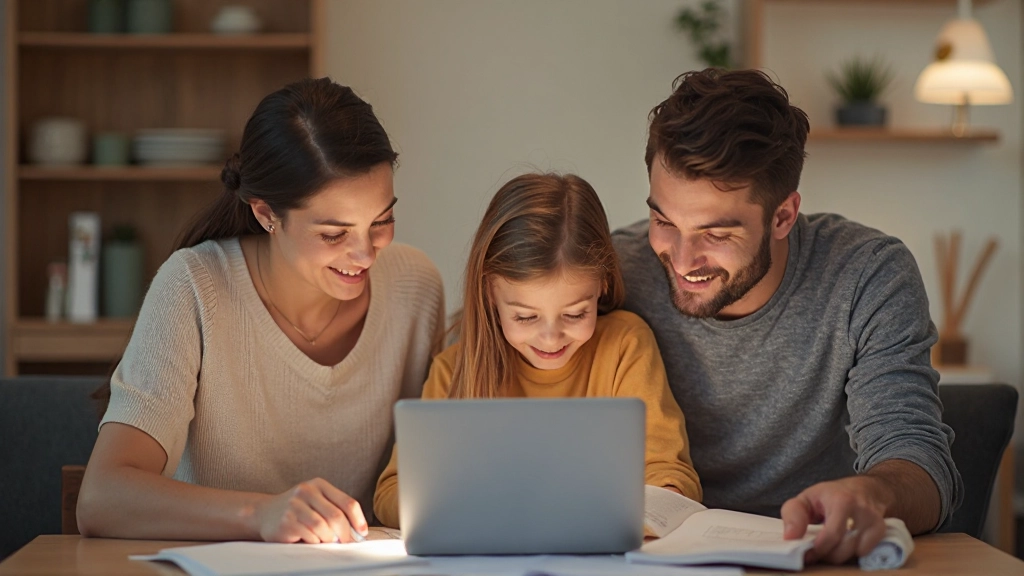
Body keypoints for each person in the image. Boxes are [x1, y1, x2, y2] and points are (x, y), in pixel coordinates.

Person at [612, 68, 962, 565]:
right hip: (649, 559)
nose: (682, 258)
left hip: (815, 557)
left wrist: (874, 494)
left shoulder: (867, 274)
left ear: (783, 215)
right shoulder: (613, 273)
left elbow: (921, 463)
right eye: (664, 220)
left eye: (716, 233)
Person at [76, 78, 445, 544]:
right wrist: (261, 513)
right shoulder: (194, 287)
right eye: (334, 234)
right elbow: (102, 498)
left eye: (382, 221)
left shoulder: (416, 287)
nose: (365, 254)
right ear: (266, 214)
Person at [373, 173, 702, 529]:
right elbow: (391, 491)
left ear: (603, 284)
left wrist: (656, 502)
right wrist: (466, 508)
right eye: (526, 316)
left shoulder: (625, 345)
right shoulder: (454, 369)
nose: (550, 338)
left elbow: (669, 474)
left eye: (575, 313)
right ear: (490, 294)